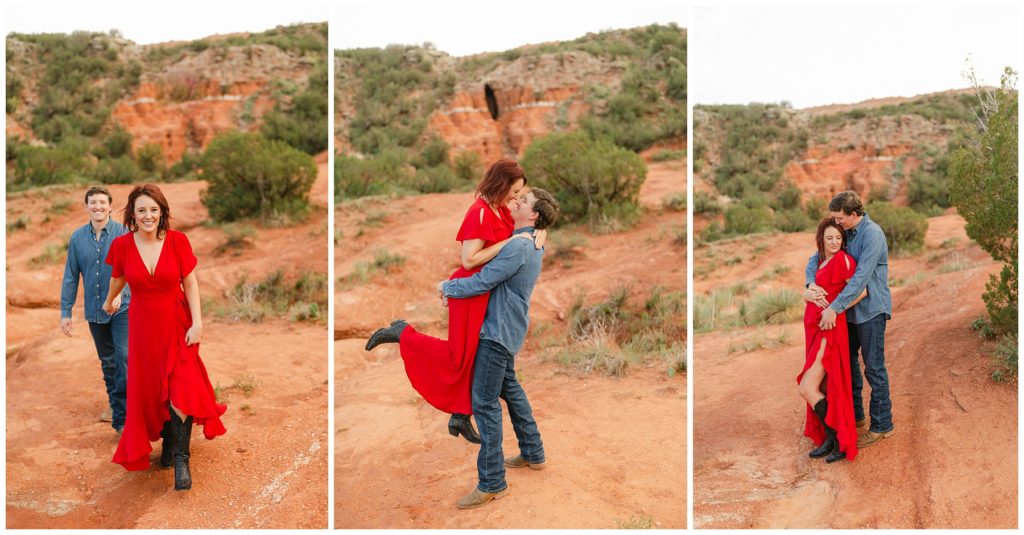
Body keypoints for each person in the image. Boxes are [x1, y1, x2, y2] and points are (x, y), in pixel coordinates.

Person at [364, 159, 539, 444]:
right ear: (501, 183)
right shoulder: (479, 213)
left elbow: (520, 232)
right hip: (470, 291)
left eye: (520, 193)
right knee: (460, 356)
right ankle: (403, 334)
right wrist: (507, 244)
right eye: (514, 191)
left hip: (485, 292)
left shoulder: (501, 210)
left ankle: (460, 414)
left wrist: (536, 231)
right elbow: (469, 260)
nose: (516, 198)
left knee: (474, 357)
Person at [440, 188, 560, 510]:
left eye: (523, 202)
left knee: (485, 405)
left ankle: (492, 482)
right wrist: (540, 229)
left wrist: (448, 288)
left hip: (495, 333)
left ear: (533, 215)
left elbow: (484, 281)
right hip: (510, 329)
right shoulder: (534, 239)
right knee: (511, 389)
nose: (516, 202)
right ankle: (533, 452)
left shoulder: (520, 247)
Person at [102, 184, 226, 491]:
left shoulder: (178, 241)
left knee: (181, 383)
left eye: (153, 210)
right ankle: (169, 441)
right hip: (143, 327)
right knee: (153, 386)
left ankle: (181, 460)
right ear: (132, 213)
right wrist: (110, 300)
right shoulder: (122, 245)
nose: (148, 216)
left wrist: (198, 323)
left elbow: (191, 283)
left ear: (162, 212)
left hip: (176, 321)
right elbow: (118, 277)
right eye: (142, 210)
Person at [804, 190, 895, 449]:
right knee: (849, 366)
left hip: (871, 311)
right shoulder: (846, 232)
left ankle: (882, 425)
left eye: (840, 218)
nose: (837, 222)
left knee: (874, 368)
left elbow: (860, 279)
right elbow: (817, 256)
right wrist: (810, 283)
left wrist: (833, 307)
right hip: (849, 313)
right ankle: (855, 418)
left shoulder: (872, 235)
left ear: (854, 215)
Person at [60, 186, 131, 434]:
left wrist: (121, 291)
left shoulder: (124, 233)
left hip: (123, 308)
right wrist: (65, 312)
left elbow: (134, 268)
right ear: (87, 206)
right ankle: (117, 410)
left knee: (124, 359)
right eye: (93, 202)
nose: (98, 206)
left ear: (110, 206)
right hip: (95, 310)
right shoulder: (78, 238)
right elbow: (71, 276)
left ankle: (125, 418)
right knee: (108, 363)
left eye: (102, 202)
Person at [797, 218, 865, 463]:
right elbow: (814, 288)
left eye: (838, 237)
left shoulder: (844, 260)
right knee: (824, 387)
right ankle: (829, 438)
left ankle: (837, 437)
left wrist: (836, 310)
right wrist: (807, 294)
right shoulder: (820, 260)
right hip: (815, 329)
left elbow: (861, 291)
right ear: (821, 240)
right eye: (830, 238)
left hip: (829, 330)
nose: (835, 241)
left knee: (807, 387)